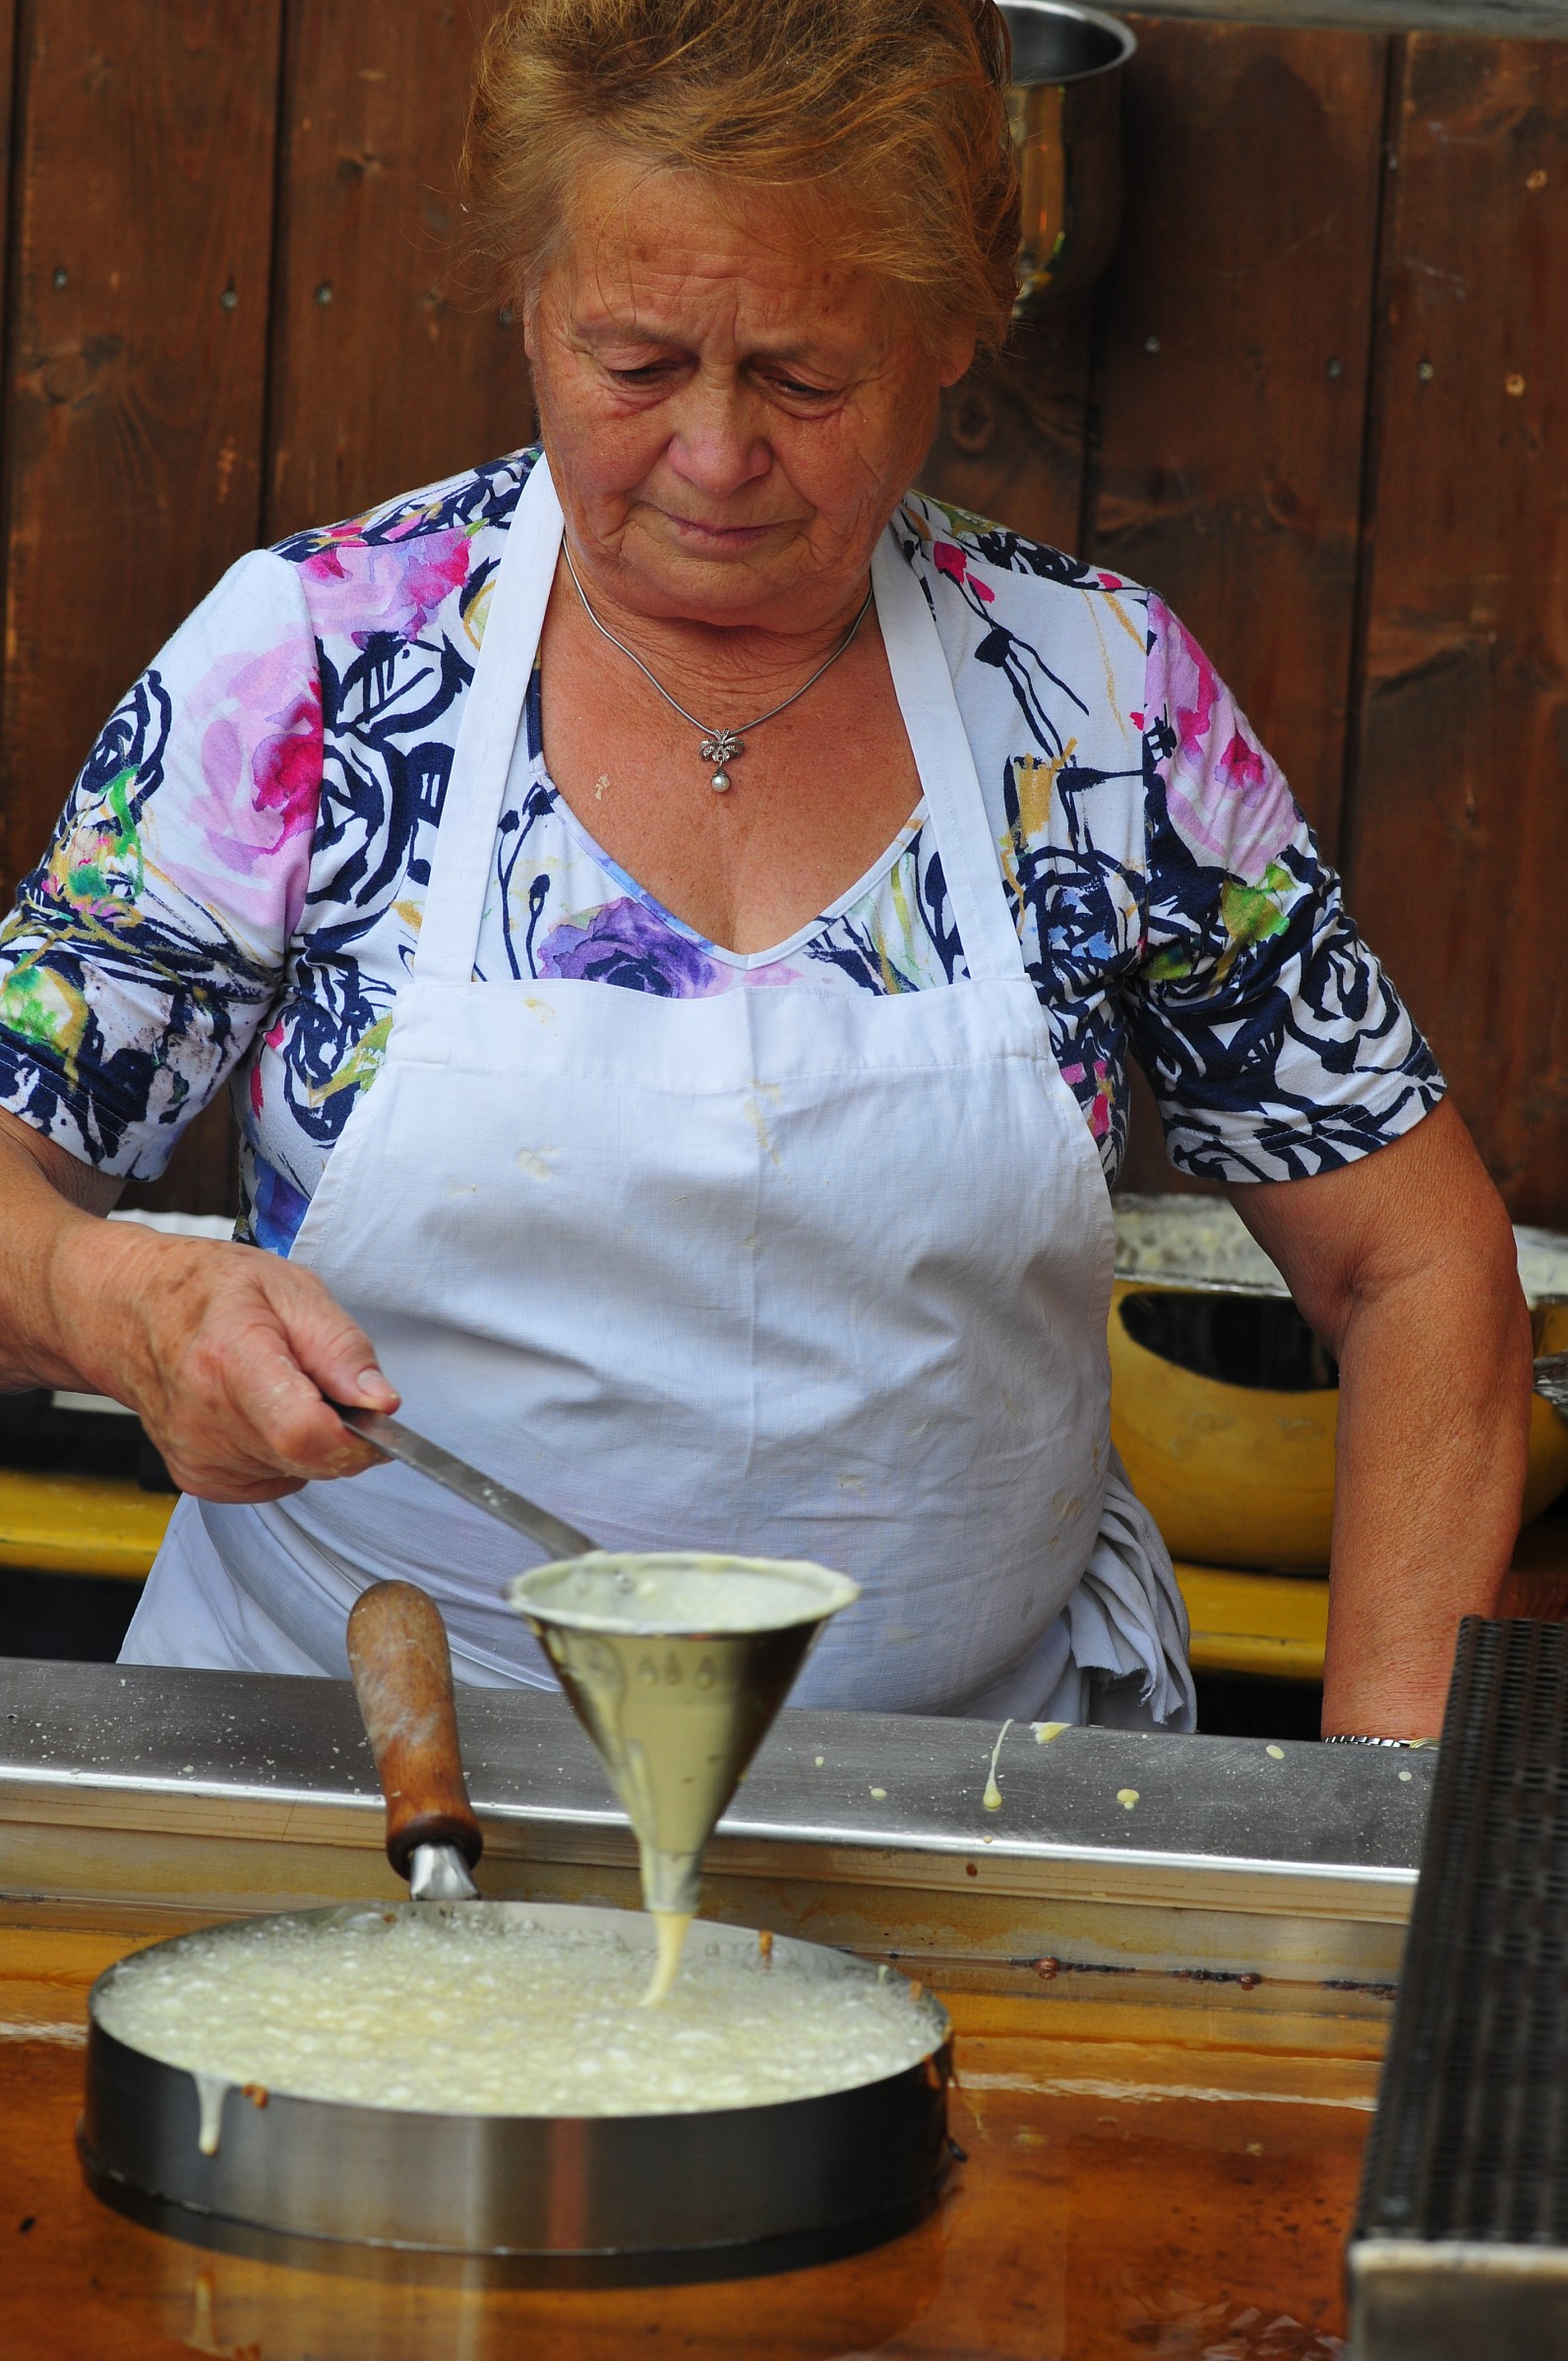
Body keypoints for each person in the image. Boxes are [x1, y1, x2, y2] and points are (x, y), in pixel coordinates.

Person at [0, 0, 1530, 1736]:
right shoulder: (320, 666)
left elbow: (1414, 1267)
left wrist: (1381, 1822)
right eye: (635, 363)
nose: (715, 456)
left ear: (955, 326)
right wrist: (115, 1302)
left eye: (804, 379)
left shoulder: (1098, 706)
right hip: (362, 1755)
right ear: (528, 301)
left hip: (968, 1789)